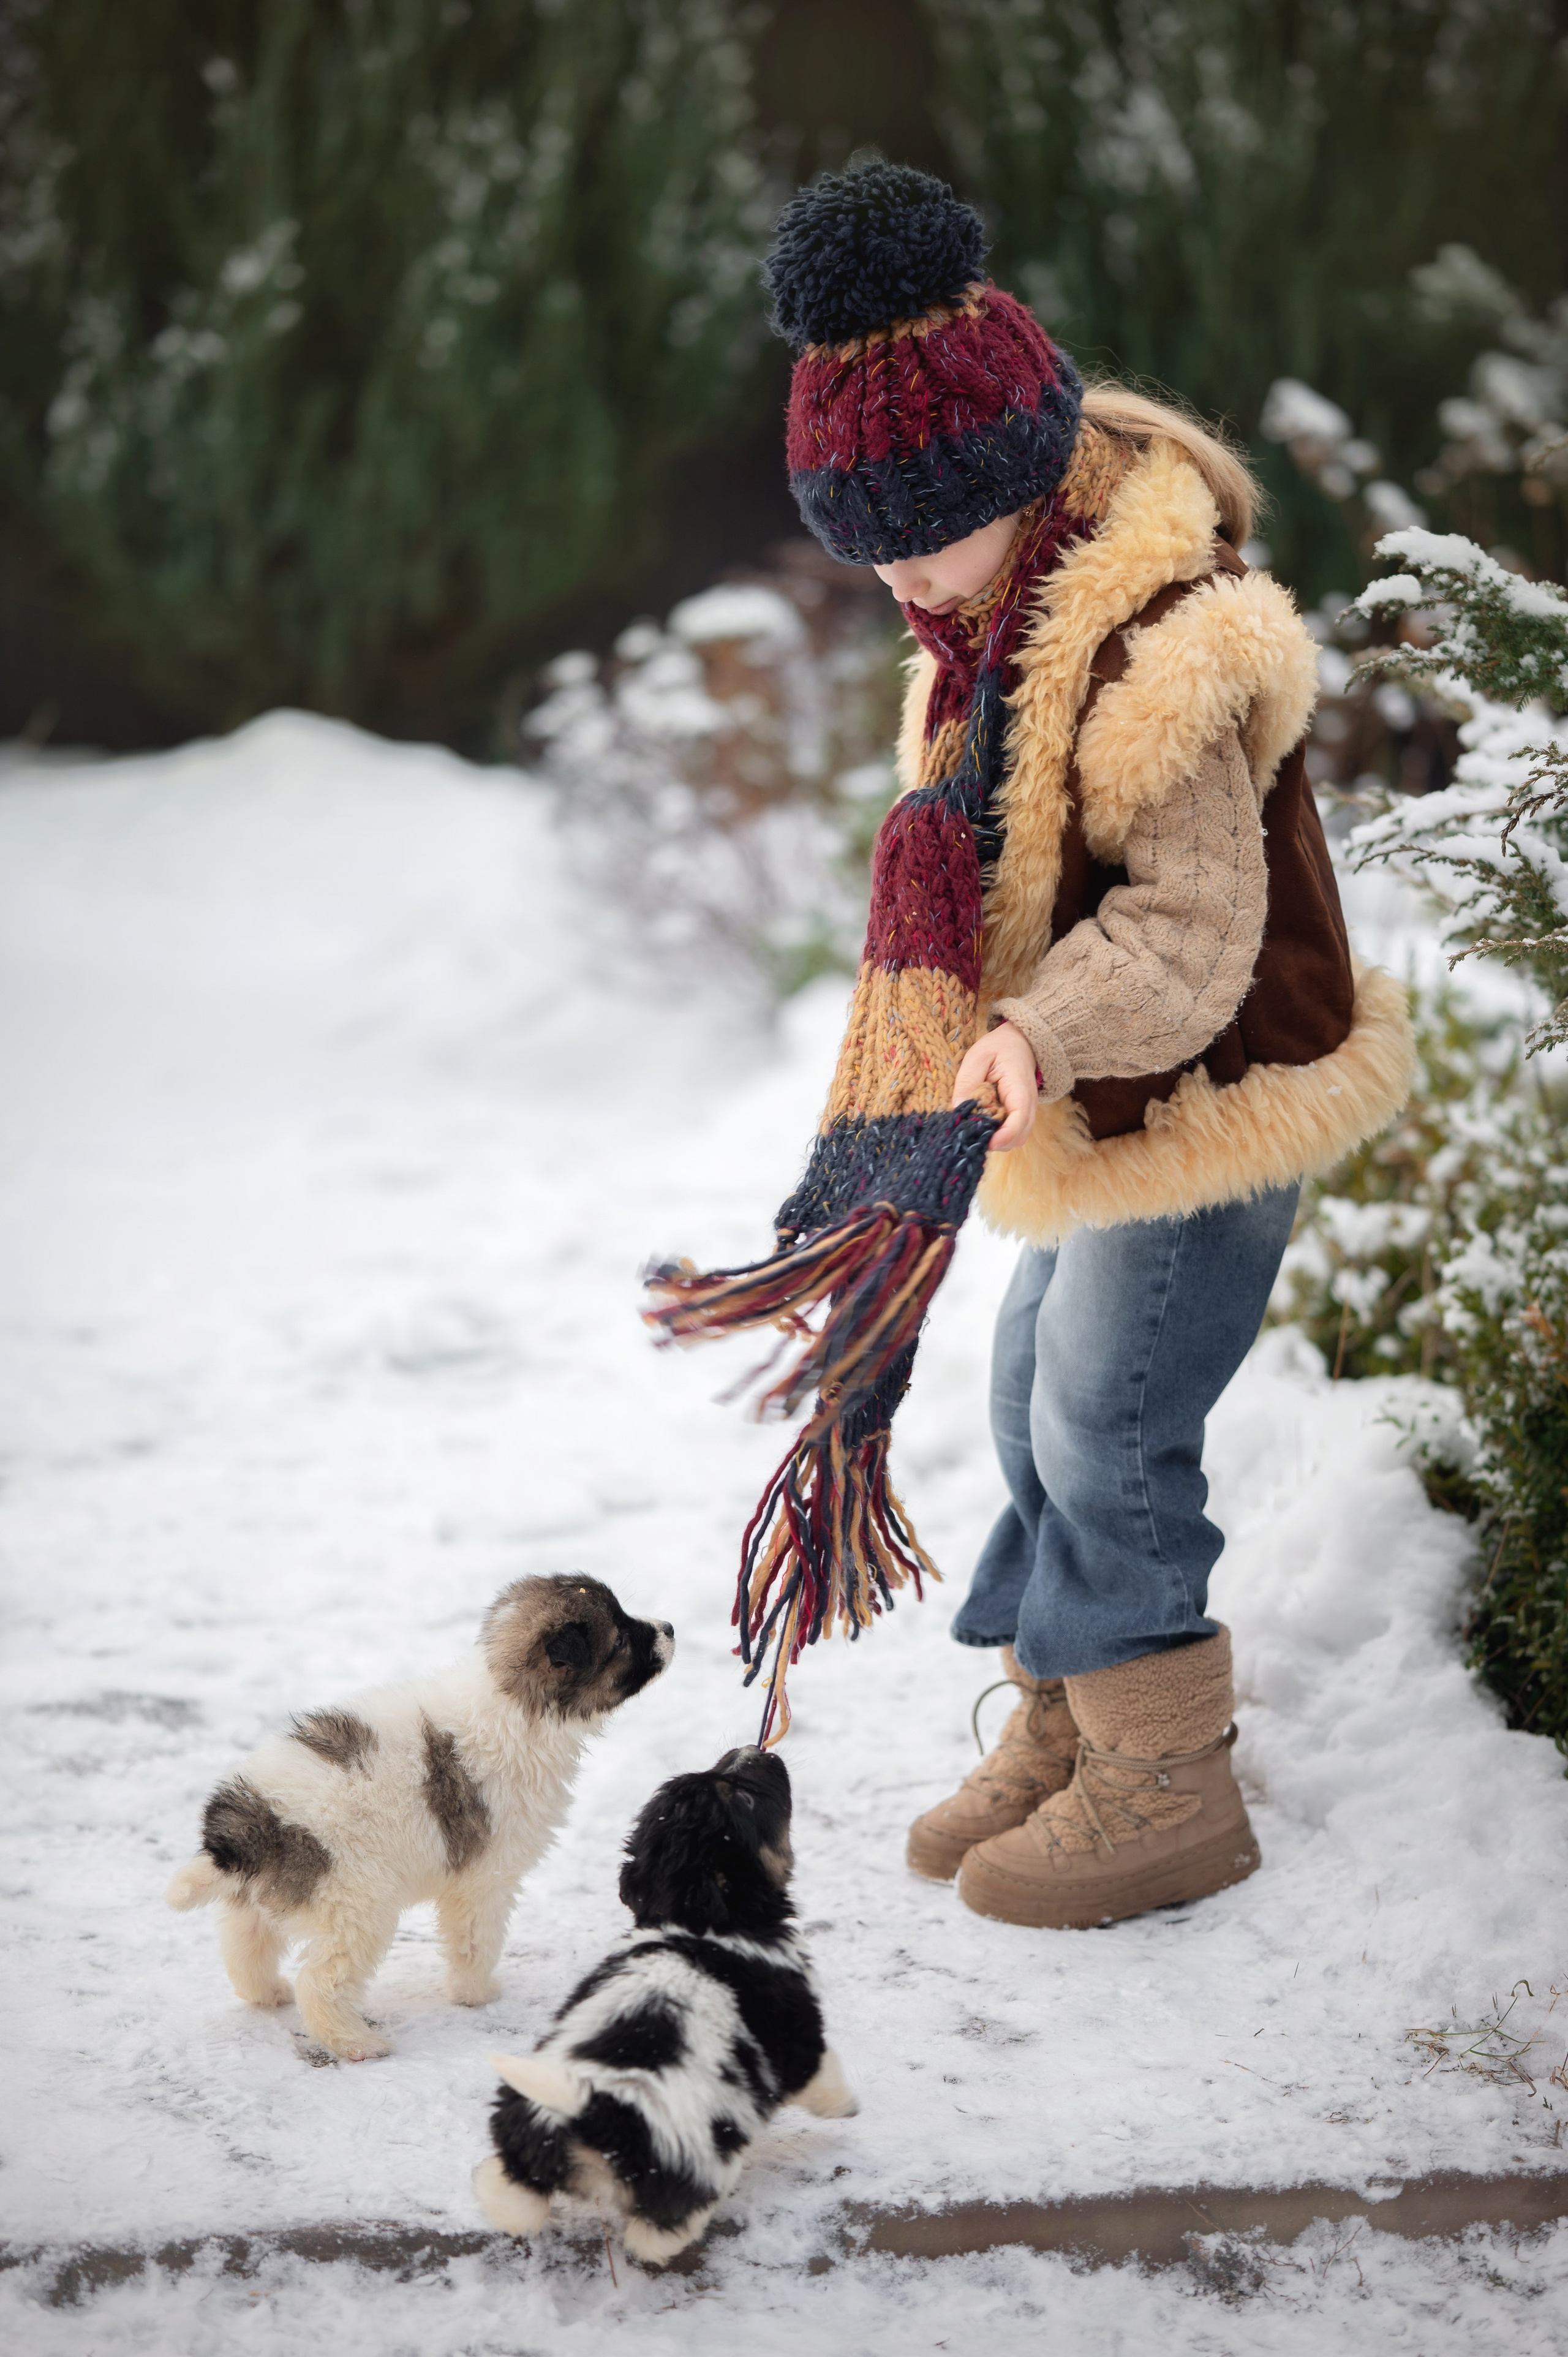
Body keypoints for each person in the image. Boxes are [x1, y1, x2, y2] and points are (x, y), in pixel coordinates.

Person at [716, 160, 1414, 1929]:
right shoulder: (990, 622)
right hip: (1102, 1097)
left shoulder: (1163, 652)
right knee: (1034, 1396)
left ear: (1011, 486)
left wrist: (1032, 1024)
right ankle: (1071, 1718)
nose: (888, 577)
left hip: (1208, 1089)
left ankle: (1166, 1775)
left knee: (1107, 1415)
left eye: (913, 536)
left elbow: (1190, 935)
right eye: (856, 541)